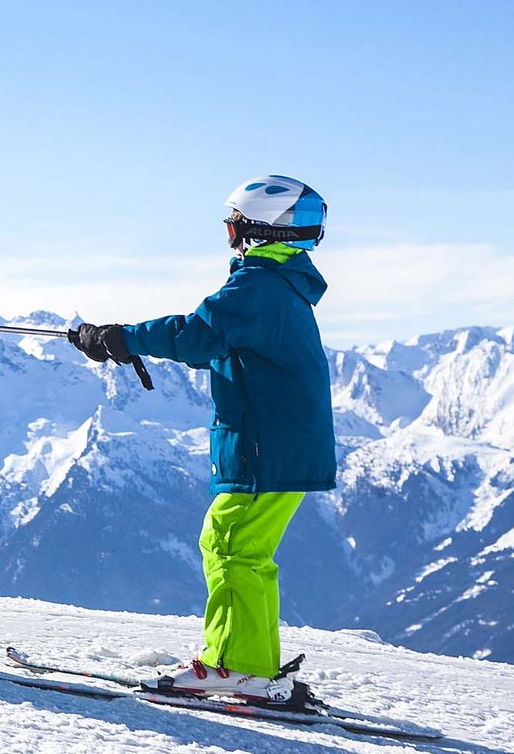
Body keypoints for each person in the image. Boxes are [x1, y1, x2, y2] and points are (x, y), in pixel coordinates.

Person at [72, 175, 333, 704]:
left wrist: (117, 337)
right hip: (283, 444)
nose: (228, 233)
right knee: (245, 550)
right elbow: (214, 338)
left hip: (265, 447)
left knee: (230, 544)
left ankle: (234, 665)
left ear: (253, 230)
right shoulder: (280, 286)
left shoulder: (256, 287)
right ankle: (252, 664)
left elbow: (195, 334)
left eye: (231, 223)